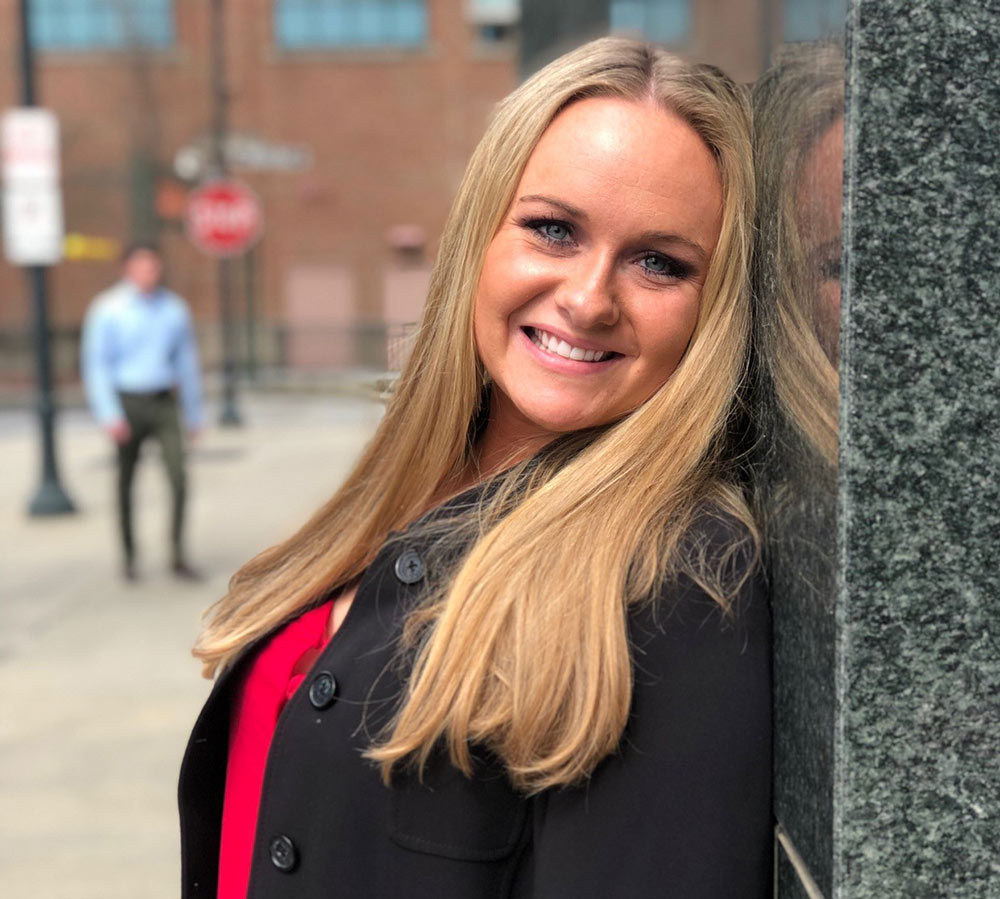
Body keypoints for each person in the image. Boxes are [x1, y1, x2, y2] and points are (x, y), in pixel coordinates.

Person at [180, 37, 771, 898]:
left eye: (659, 262)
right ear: (479, 239)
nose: (588, 297)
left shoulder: (684, 581)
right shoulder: (408, 488)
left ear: (711, 310)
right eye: (553, 229)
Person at [80, 242, 204, 581]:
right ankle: (129, 556)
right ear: (127, 269)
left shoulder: (174, 310)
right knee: (126, 481)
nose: (149, 273)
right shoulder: (108, 309)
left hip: (163, 401)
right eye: (142, 266)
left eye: (154, 266)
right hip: (127, 401)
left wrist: (194, 414)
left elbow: (186, 364)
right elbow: (97, 365)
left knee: (179, 477)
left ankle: (178, 554)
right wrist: (108, 414)